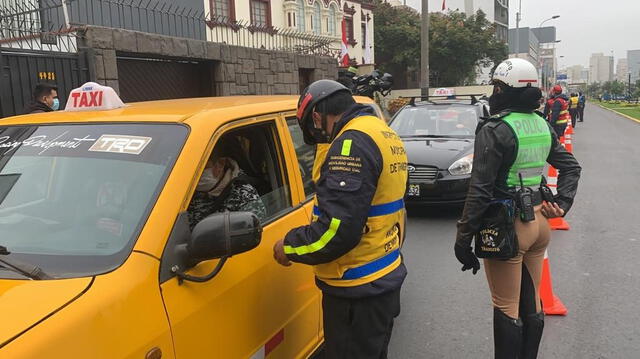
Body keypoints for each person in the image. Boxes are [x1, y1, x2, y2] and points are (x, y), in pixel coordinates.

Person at [454, 58, 581, 359]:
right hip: (539, 225)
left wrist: (463, 238)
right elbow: (571, 168)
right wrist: (561, 204)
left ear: (502, 89)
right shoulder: (541, 123)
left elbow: (480, 190)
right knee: (532, 301)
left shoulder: (495, 128)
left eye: (496, 87)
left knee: (506, 305)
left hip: (508, 225)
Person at [272, 80, 408, 359]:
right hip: (383, 272)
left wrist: (289, 246)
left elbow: (338, 231)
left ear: (318, 117)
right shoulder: (382, 131)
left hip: (356, 286)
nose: (317, 138)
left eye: (311, 129)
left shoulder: (350, 144)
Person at [188, 142, 267, 229]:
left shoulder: (244, 196)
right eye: (191, 168)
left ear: (220, 164)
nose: (194, 174)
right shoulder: (185, 192)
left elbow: (251, 235)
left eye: (202, 167)